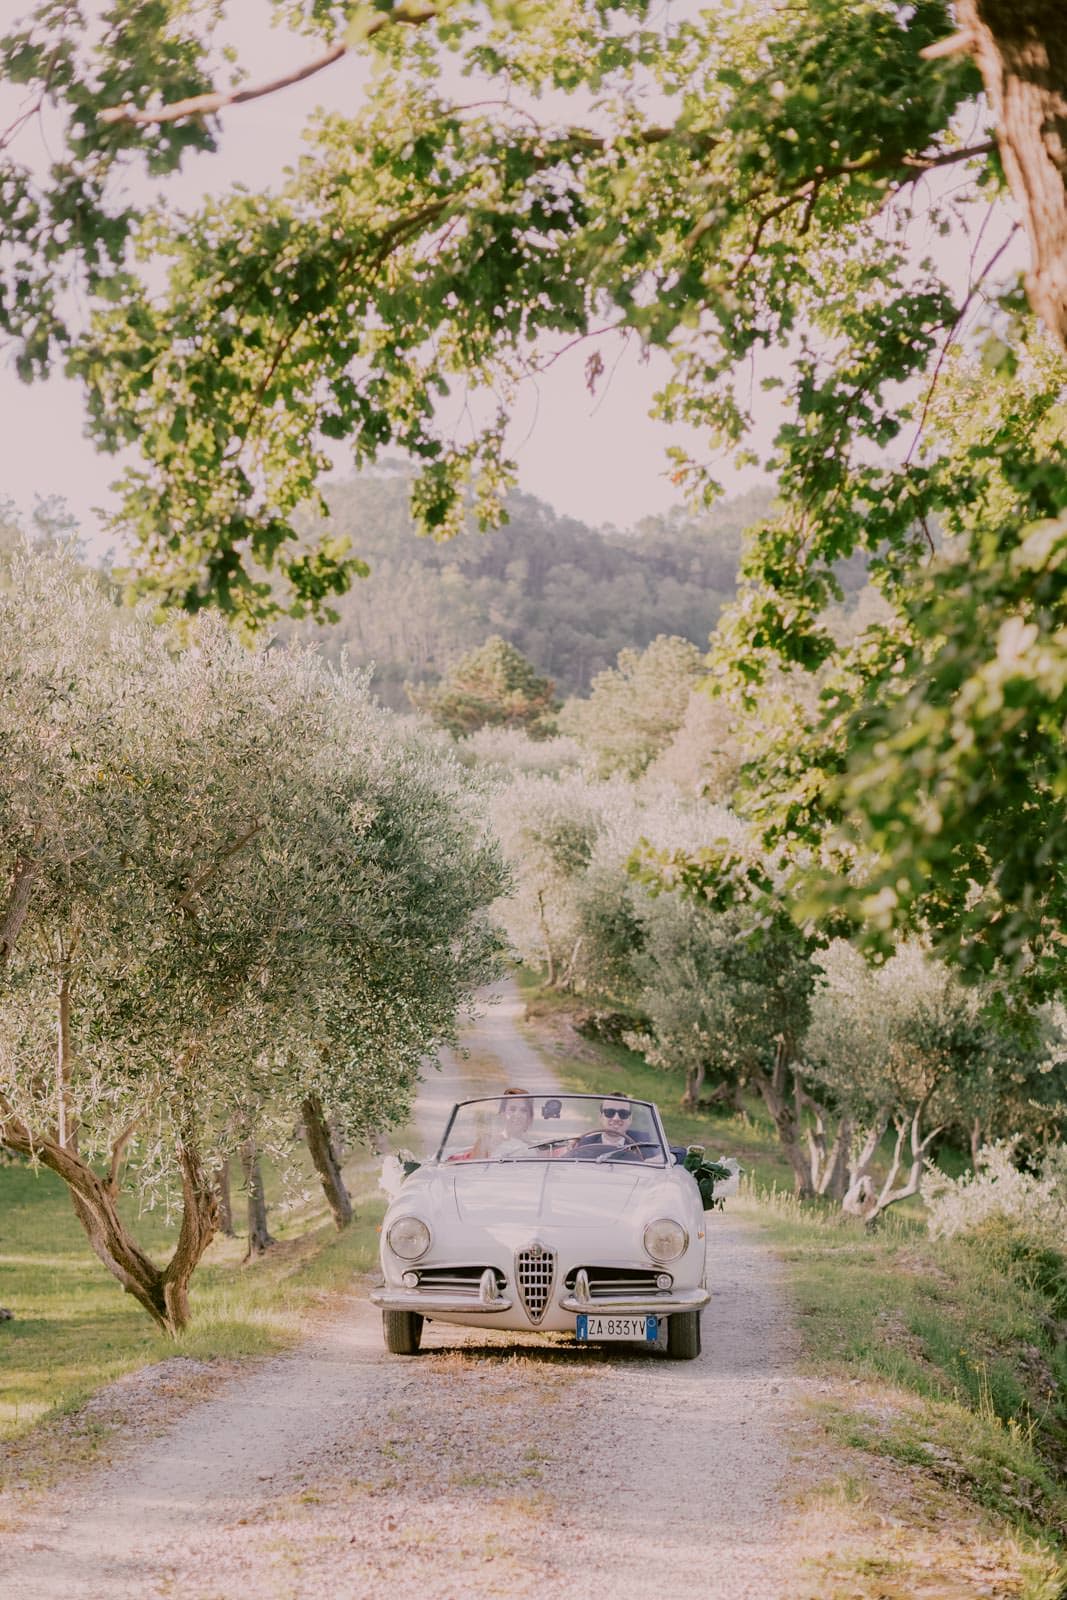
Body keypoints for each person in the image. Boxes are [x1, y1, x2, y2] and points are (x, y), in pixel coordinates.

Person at [573, 1097, 643, 1157]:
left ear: (630, 1119)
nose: (616, 1118)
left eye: (623, 1113)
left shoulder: (645, 1144)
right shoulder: (585, 1144)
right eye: (609, 1112)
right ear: (600, 1117)